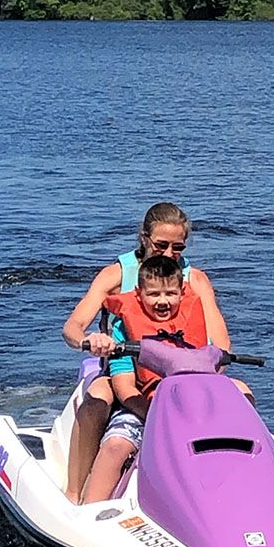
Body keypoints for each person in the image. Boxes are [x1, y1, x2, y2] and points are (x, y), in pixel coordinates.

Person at [62, 202, 231, 504]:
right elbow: (72, 328)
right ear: (144, 238)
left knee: (240, 394)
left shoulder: (196, 280)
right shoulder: (117, 274)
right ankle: (74, 493)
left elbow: (221, 344)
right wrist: (90, 340)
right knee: (99, 400)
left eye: (177, 248)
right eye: (161, 245)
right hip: (122, 368)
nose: (168, 255)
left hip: (180, 373)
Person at [83, 255, 254, 503]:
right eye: (154, 295)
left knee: (242, 391)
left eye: (170, 294)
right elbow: (124, 388)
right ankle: (91, 507)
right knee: (117, 445)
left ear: (182, 292)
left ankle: (246, 487)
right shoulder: (123, 329)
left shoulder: (196, 322)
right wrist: (156, 417)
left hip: (195, 413)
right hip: (143, 409)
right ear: (139, 293)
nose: (163, 302)